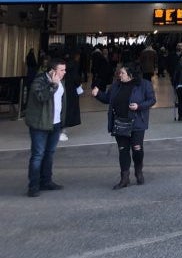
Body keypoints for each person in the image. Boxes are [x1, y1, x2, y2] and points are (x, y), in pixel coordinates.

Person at [92, 62, 156, 190]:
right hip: (120, 123)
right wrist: (98, 94)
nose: (119, 75)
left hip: (137, 122)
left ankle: (138, 171)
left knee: (137, 149)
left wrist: (139, 106)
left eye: (122, 73)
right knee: (123, 150)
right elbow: (107, 99)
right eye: (119, 72)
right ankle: (124, 178)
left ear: (130, 75)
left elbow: (152, 100)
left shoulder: (144, 84)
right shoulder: (116, 85)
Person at [25, 57, 67, 197]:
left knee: (49, 154)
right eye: (61, 70)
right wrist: (53, 85)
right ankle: (33, 185)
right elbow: (41, 97)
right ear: (53, 71)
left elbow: (62, 103)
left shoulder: (62, 82)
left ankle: (46, 181)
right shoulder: (39, 81)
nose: (64, 72)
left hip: (55, 123)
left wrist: (62, 122)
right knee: (38, 155)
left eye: (64, 70)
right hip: (40, 124)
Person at [60, 51, 84, 142]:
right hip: (71, 90)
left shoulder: (62, 64)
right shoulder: (74, 64)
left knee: (61, 108)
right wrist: (79, 84)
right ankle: (62, 131)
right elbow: (75, 77)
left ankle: (60, 129)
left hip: (63, 88)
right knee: (68, 110)